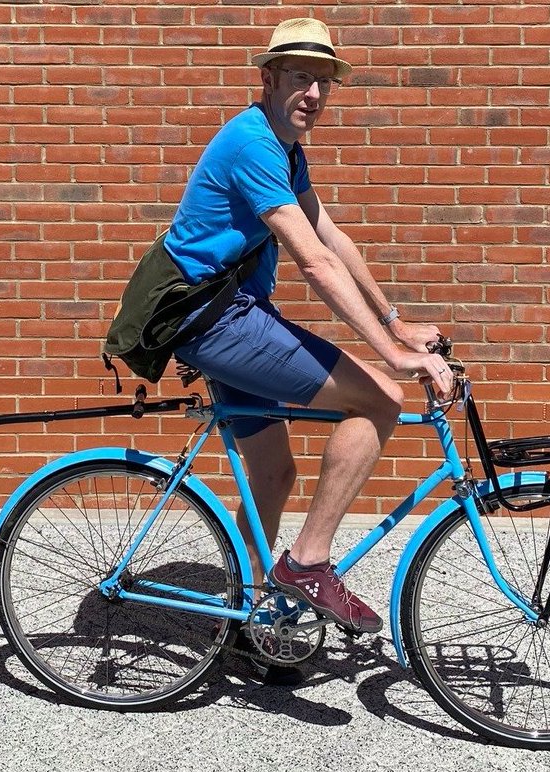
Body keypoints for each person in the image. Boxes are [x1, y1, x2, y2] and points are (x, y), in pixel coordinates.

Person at [161, 18, 455, 679]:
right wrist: (394, 356)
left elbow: (334, 236)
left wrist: (395, 323)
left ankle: (247, 620)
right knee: (381, 395)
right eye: (300, 77)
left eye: (323, 80)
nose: (314, 92)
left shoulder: (286, 149)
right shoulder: (252, 143)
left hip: (230, 316)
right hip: (218, 321)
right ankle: (307, 563)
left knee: (274, 472)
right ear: (267, 80)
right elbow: (315, 263)